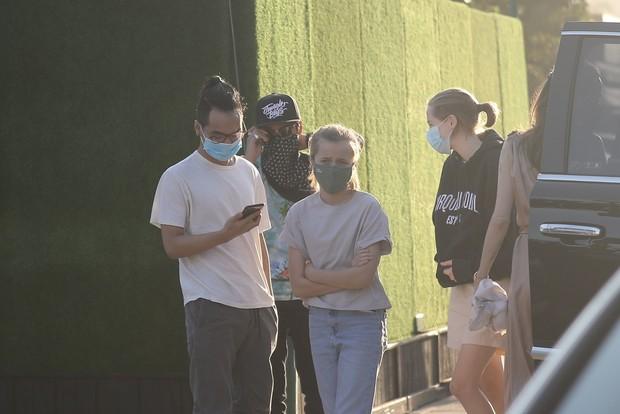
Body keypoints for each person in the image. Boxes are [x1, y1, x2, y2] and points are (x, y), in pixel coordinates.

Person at [149, 75, 277, 414]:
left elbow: (259, 239)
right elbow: (172, 246)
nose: (227, 142)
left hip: (257, 308)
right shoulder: (177, 177)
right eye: (217, 136)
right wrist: (225, 233)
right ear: (198, 128)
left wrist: (269, 300)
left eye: (235, 135)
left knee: (258, 406)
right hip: (211, 306)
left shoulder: (249, 172)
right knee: (213, 404)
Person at [280, 124, 392, 414]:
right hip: (319, 320)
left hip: (362, 321)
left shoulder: (368, 209)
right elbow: (299, 286)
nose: (333, 167)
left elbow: (363, 278)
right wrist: (346, 277)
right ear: (312, 161)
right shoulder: (299, 213)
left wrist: (313, 273)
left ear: (353, 164)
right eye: (325, 160)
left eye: (342, 161)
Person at [426, 88, 514, 414]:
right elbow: (447, 222)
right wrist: (446, 267)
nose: (430, 132)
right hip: (464, 287)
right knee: (490, 384)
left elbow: (507, 230)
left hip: (492, 286)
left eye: (431, 123)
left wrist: (472, 268)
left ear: (450, 122)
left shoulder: (497, 159)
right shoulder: (452, 165)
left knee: (461, 385)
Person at [244, 93, 323, 414]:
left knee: (317, 386)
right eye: (271, 132)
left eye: (287, 130)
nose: (280, 139)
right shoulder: (251, 169)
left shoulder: (317, 167)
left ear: (300, 128)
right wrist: (250, 153)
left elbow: (353, 144)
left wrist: (309, 142)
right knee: (270, 390)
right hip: (265, 292)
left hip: (311, 291)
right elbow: (235, 201)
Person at [475, 74, 551, 406]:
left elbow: (500, 218)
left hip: (529, 253)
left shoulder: (516, 145)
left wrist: (482, 271)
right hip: (582, 254)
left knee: (524, 351)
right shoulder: (592, 145)